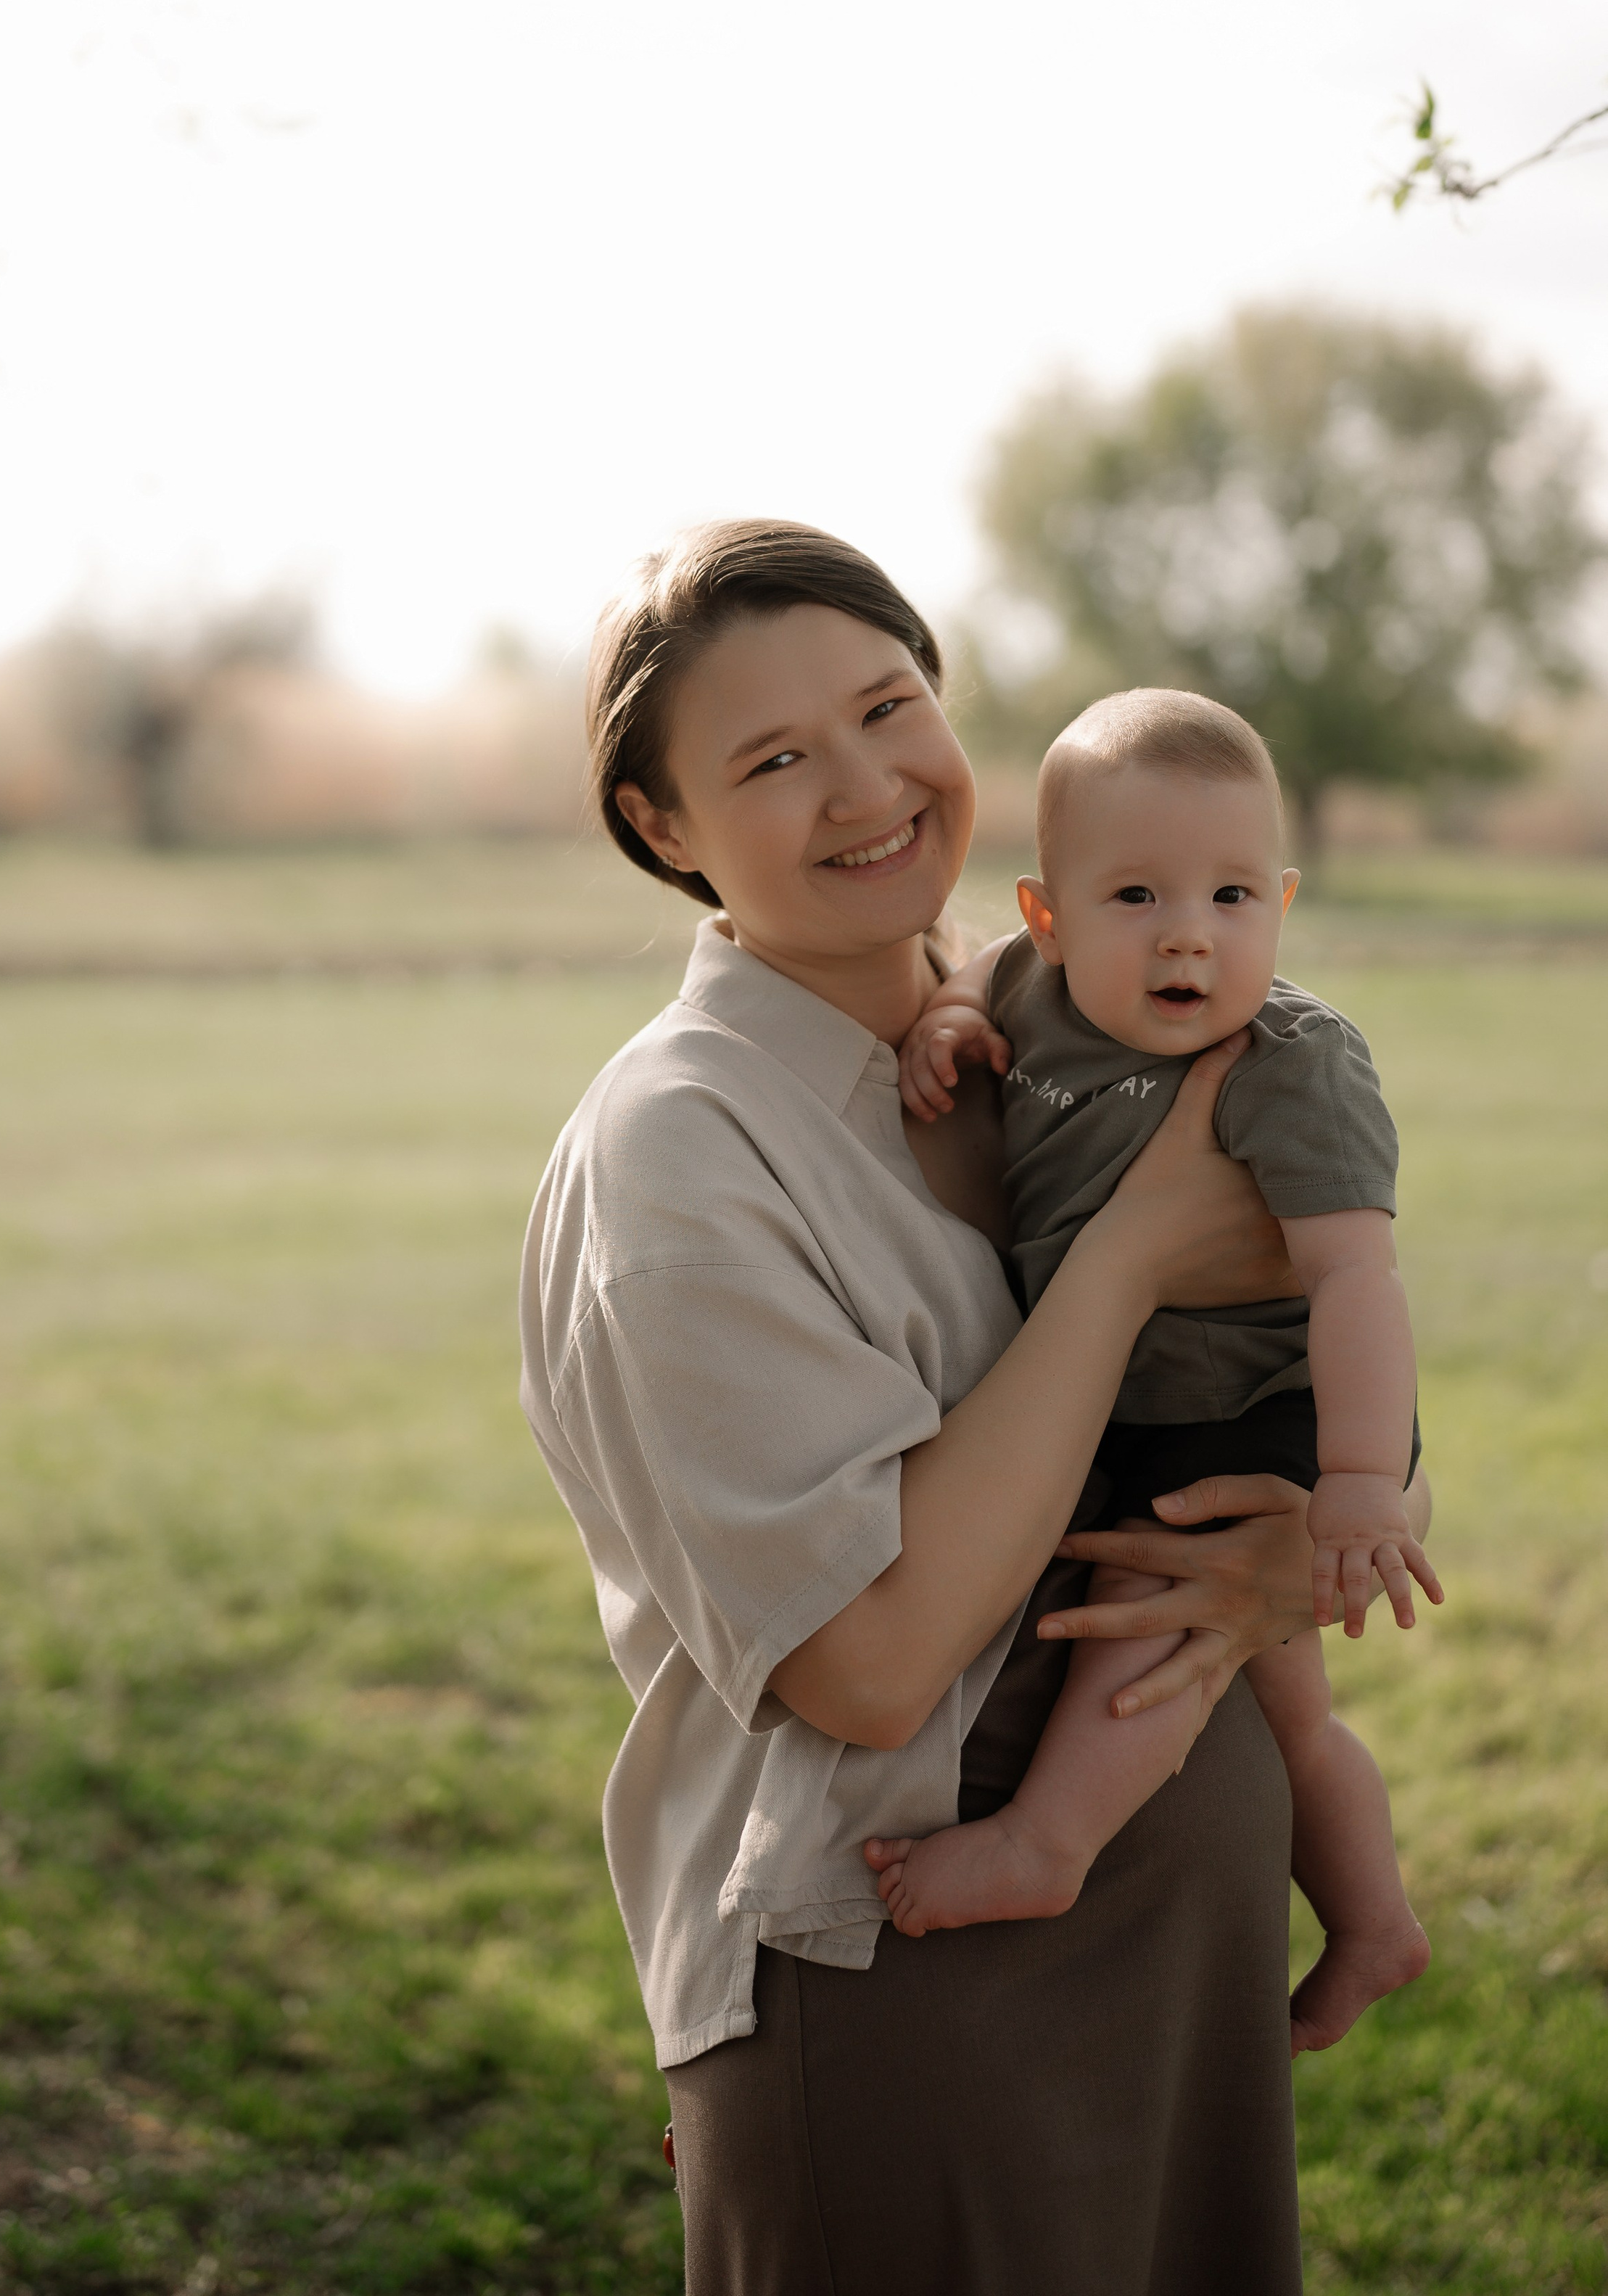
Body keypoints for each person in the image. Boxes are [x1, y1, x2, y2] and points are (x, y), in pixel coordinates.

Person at [519, 518, 1431, 2295]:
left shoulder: (1057, 1029)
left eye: (887, 707)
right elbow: (861, 1661)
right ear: (662, 826)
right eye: (773, 760)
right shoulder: (683, 1152)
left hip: (1175, 1949)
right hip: (903, 1983)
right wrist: (1125, 1261)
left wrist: (1281, 1564)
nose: (866, 787)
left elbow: (1292, 1352)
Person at [873, 686, 1438, 2056]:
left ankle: (1045, 1843)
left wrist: (1363, 1484)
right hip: (1140, 1395)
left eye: (1235, 895)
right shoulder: (1027, 988)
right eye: (1137, 895)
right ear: (1050, 914)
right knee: (1293, 1712)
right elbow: (976, 977)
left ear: (1283, 905)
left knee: (1154, 1603)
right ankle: (1375, 1925)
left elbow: (1357, 1279)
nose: (1191, 930)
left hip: (1258, 1409)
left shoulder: (1293, 1067)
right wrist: (948, 1020)